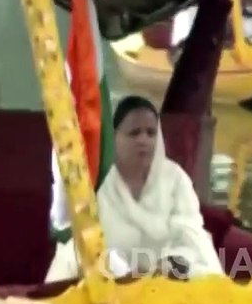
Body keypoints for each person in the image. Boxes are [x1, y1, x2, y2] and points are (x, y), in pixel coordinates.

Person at [44, 95, 224, 283]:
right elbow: (88, 236)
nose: (143, 140)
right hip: (110, 269)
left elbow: (189, 233)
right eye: (134, 133)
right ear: (115, 137)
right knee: (71, 255)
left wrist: (167, 265)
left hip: (166, 272)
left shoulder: (174, 178)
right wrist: (124, 271)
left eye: (150, 133)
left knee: (202, 251)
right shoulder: (101, 178)